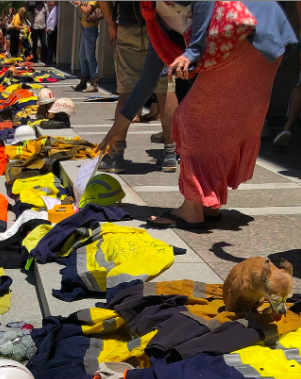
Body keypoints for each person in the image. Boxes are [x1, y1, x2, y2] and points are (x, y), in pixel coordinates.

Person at [97, 1, 298, 229]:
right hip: (251, 40)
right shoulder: (154, 18)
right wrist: (116, 129)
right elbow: (146, 82)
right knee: (217, 125)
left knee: (191, 117)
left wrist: (193, 50)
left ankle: (191, 209)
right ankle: (207, 203)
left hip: (248, 35)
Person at [96, 1, 177, 174]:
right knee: (166, 91)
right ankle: (170, 152)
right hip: (160, 25)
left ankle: (116, 156)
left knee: (126, 91)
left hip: (129, 23)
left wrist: (111, 22)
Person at [72, 1, 100, 92]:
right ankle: (83, 81)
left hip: (91, 28)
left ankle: (94, 83)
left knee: (90, 56)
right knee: (82, 56)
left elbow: (87, 11)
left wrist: (79, 4)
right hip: (86, 28)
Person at [46, 1, 58, 65]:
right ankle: (50, 61)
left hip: (52, 30)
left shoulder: (56, 9)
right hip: (50, 30)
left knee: (51, 47)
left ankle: (49, 62)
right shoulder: (52, 9)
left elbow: (54, 20)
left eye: (52, 1)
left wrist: (51, 29)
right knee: (51, 47)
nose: (50, 2)